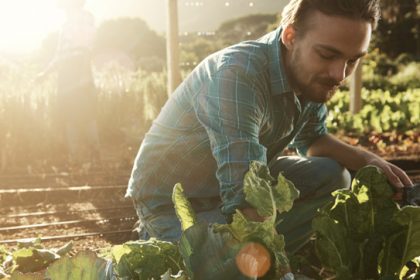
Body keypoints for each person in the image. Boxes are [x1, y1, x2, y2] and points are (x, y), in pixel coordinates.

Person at [127, 0, 413, 258]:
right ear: (290, 37)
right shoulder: (238, 74)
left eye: (352, 60)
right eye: (327, 55)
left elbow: (312, 140)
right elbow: (243, 193)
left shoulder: (310, 76)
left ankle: (255, 256)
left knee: (333, 175)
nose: (339, 74)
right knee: (212, 267)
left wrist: (368, 160)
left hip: (233, 193)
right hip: (176, 204)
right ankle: (156, 240)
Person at [35, 0, 101, 167]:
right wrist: (45, 72)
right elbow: (64, 53)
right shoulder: (79, 21)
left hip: (75, 71)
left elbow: (77, 50)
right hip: (74, 71)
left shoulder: (79, 21)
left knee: (78, 116)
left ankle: (82, 158)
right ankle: (85, 157)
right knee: (80, 116)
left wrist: (47, 72)